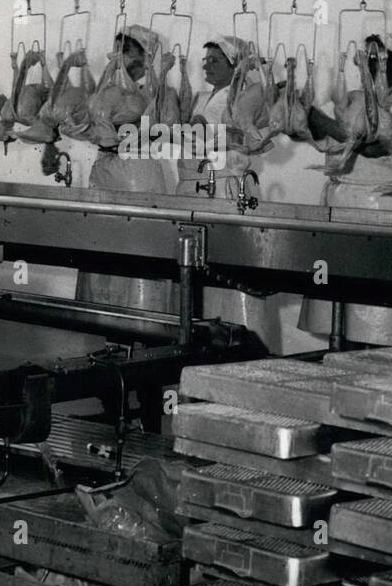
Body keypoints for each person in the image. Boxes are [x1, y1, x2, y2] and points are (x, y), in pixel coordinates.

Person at [299, 37, 392, 347]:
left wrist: (318, 119)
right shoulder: (353, 99)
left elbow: (375, 147)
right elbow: (325, 136)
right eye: (366, 59)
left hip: (383, 214)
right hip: (340, 208)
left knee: (378, 323)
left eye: (376, 60)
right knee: (337, 323)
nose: (367, 65)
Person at [171, 35, 282, 347]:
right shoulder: (204, 98)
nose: (206, 65)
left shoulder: (240, 98)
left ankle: (243, 349)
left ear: (235, 68)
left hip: (223, 192)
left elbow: (196, 128)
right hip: (194, 192)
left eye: (215, 60)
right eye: (205, 59)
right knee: (195, 282)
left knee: (232, 282)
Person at [75, 25, 173, 312]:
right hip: (104, 169)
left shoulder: (153, 93)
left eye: (126, 51)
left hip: (136, 174)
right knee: (102, 246)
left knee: (136, 248)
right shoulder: (107, 92)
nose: (118, 57)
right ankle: (105, 324)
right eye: (116, 49)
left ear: (146, 58)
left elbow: (161, 127)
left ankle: (143, 320)